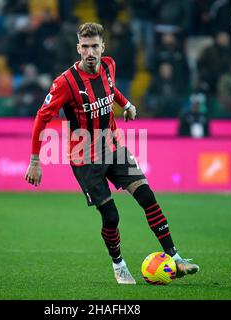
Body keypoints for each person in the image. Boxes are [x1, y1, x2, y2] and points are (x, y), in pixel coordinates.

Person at [24, 22, 199, 284]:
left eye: (95, 46)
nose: (91, 52)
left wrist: (126, 103)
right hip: (84, 158)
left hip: (113, 147)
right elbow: (41, 117)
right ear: (78, 49)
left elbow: (110, 88)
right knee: (111, 216)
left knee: (147, 196)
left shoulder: (109, 65)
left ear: (102, 47)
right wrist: (35, 160)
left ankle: (175, 258)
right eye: (85, 47)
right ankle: (119, 265)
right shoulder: (65, 83)